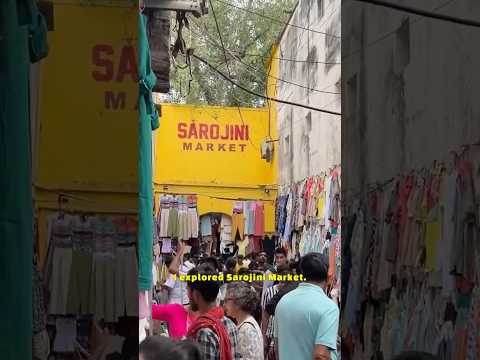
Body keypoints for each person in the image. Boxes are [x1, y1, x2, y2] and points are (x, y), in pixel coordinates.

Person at [274, 253, 339, 360]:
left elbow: (277, 346)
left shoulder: (283, 302)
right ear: (328, 276)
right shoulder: (328, 308)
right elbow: (321, 355)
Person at [186, 264, 240, 360]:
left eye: (188, 290)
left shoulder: (204, 332)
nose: (188, 296)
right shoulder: (230, 324)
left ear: (195, 294)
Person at [224, 282, 264, 360]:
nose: (224, 305)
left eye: (226, 300)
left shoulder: (247, 329)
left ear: (238, 302)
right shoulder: (246, 323)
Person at [260, 264, 291, 358]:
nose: (282, 285)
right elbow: (265, 315)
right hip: (270, 332)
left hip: (284, 334)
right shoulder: (269, 292)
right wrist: (263, 335)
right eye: (281, 282)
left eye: (286, 283)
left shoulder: (291, 293)